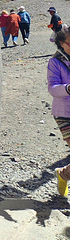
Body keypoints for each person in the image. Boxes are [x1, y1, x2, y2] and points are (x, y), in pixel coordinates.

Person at [47, 25, 70, 196]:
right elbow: (53, 88)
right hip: (65, 114)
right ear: (62, 43)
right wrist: (68, 88)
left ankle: (63, 174)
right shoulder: (55, 62)